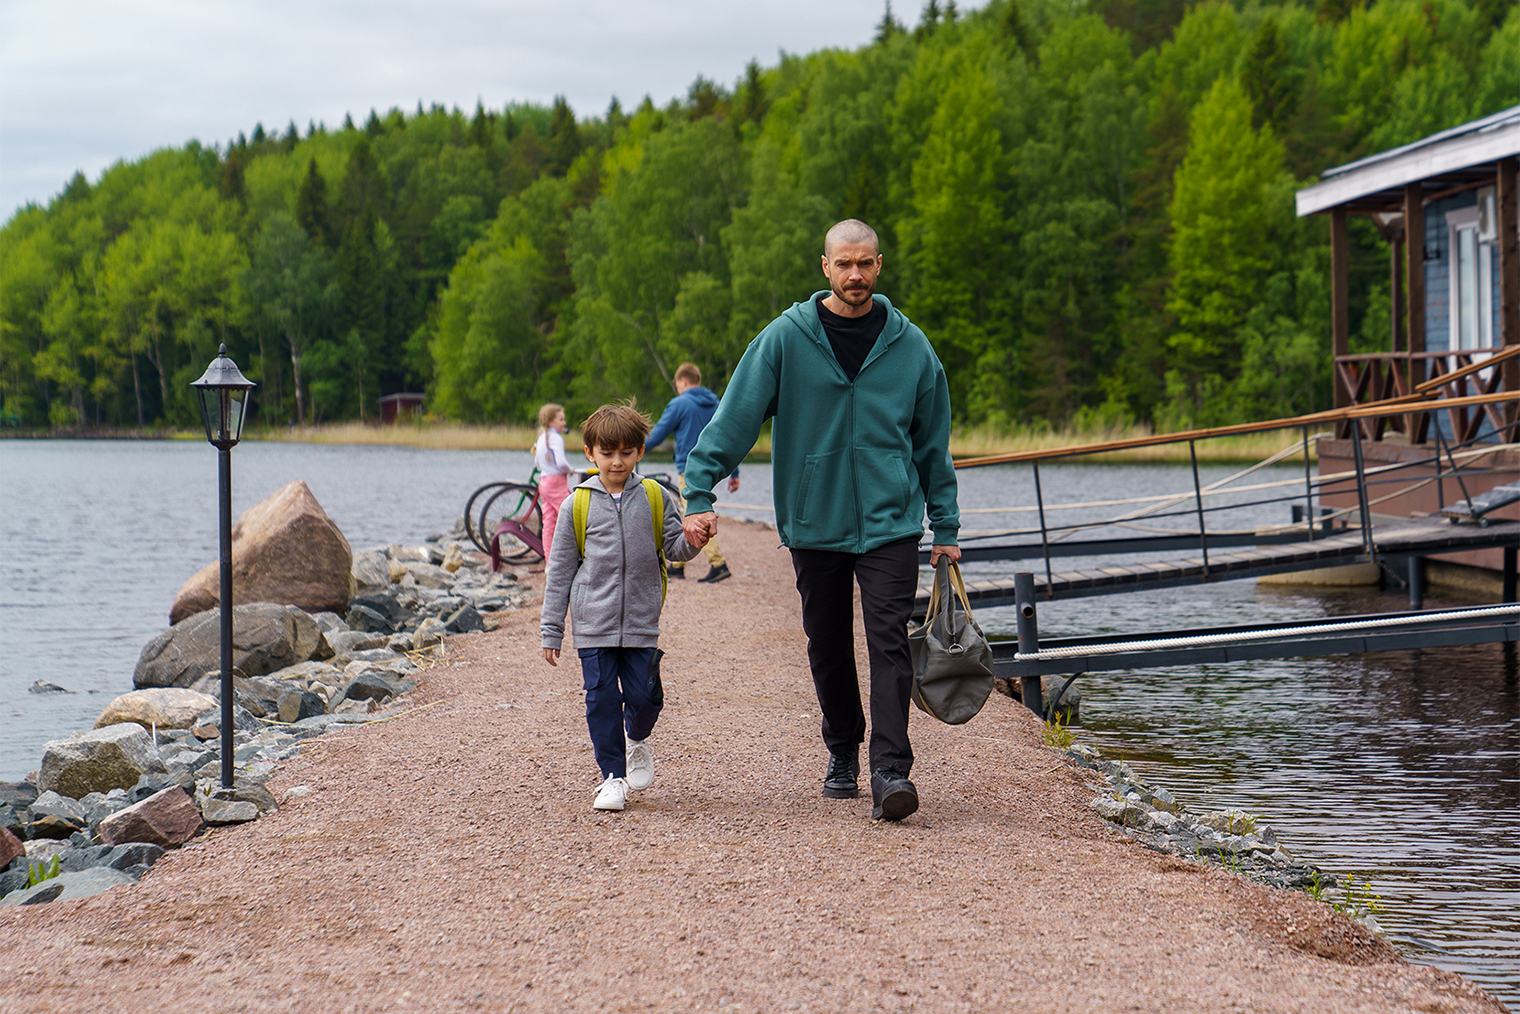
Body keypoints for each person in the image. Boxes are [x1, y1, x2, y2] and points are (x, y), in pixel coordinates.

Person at [679, 219, 960, 822]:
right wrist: (698, 488)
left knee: (889, 644)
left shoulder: (912, 347)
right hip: (814, 523)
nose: (854, 275)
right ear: (825, 267)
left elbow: (934, 444)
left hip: (890, 522)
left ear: (879, 266)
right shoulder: (785, 339)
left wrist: (948, 528)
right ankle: (842, 750)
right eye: (843, 264)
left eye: (865, 264)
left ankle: (890, 771)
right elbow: (735, 419)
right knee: (827, 644)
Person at [540, 403, 704, 811]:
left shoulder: (654, 496)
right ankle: (612, 778)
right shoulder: (575, 505)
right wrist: (552, 629)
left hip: (641, 622)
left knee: (646, 699)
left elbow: (674, 547)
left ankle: (637, 738)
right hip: (592, 623)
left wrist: (695, 540)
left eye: (626, 453)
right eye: (608, 453)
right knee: (601, 701)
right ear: (590, 453)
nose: (617, 461)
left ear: (640, 452)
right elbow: (560, 571)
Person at [646, 362, 740, 583]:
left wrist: (630, 450)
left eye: (677, 384)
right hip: (711, 469)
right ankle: (677, 565)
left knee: (696, 515)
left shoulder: (680, 403)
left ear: (683, 381)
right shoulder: (715, 402)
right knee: (688, 511)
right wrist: (734, 472)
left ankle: (718, 564)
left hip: (689, 470)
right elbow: (730, 437)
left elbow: (657, 435)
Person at [532, 403, 574, 561]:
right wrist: (570, 470)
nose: (564, 423)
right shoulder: (556, 438)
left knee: (549, 522)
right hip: (556, 481)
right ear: (550, 422)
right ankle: (577, 555)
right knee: (571, 515)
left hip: (544, 482)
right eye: (561, 419)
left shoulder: (541, 438)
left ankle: (549, 561)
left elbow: (537, 462)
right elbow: (561, 462)